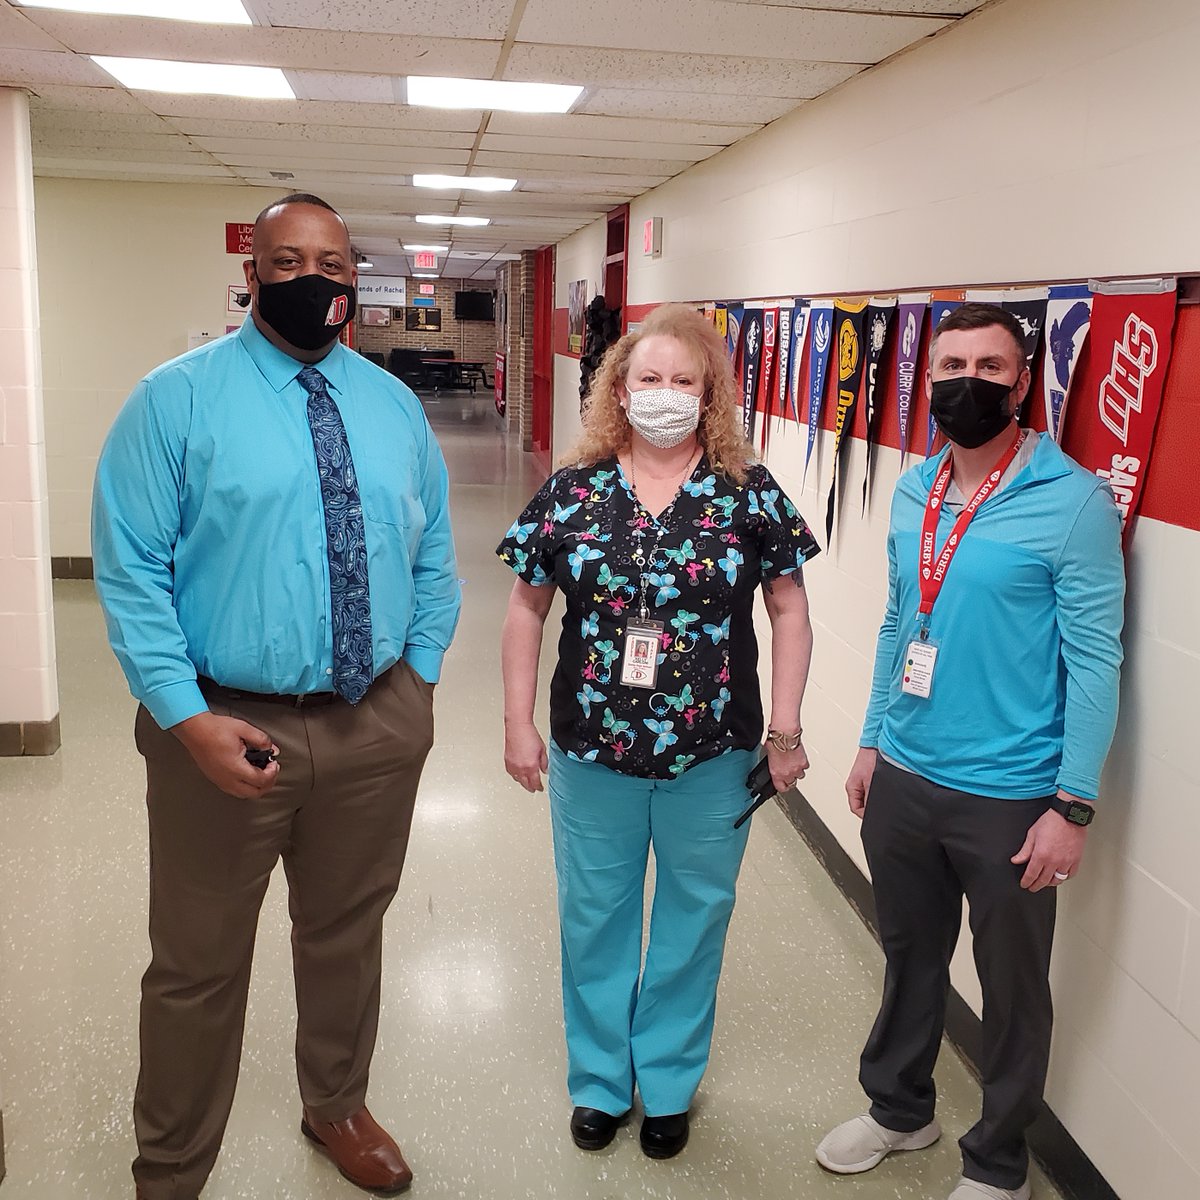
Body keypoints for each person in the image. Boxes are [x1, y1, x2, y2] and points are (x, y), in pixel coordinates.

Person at [92, 193, 460, 1199]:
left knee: (346, 936)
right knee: (198, 963)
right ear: (251, 274)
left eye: (331, 263)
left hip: (372, 722)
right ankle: (171, 1167)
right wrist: (185, 718)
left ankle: (335, 1104)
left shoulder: (392, 406)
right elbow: (131, 572)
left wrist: (418, 684)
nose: (312, 280)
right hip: (223, 725)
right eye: (288, 261)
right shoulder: (175, 400)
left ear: (354, 279)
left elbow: (433, 556)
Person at [816, 303, 1124, 1200]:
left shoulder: (1073, 501)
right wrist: (870, 739)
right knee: (910, 957)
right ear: (929, 377)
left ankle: (999, 1163)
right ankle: (900, 1111)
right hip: (906, 773)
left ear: (1023, 383)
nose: (969, 382)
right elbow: (897, 622)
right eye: (952, 365)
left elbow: (1096, 662)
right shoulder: (916, 488)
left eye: (992, 367)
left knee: (1012, 989)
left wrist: (1072, 805)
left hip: (1010, 795)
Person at [497, 304, 820, 1159]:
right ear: (620, 389)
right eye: (649, 378)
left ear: (709, 395)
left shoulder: (748, 492)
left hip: (712, 755)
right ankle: (602, 1082)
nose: (665, 393)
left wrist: (786, 732)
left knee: (693, 920)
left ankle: (669, 1083)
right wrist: (517, 723)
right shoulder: (574, 490)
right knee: (594, 917)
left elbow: (789, 609)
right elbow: (526, 608)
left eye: (684, 380)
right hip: (590, 750)